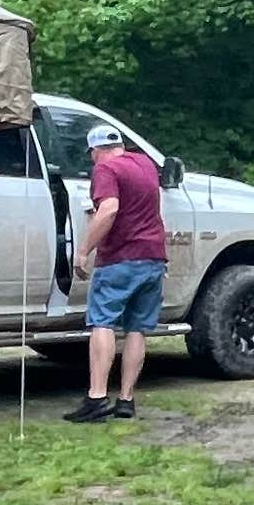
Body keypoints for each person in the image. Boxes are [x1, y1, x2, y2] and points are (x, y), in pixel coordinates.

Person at [67, 119, 169, 422]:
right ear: (120, 145)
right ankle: (126, 400)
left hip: (121, 259)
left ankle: (97, 397)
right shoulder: (144, 163)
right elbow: (142, 205)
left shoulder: (105, 169)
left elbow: (110, 209)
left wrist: (84, 250)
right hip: (153, 256)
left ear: (96, 150)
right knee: (137, 328)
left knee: (103, 321)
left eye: (92, 154)